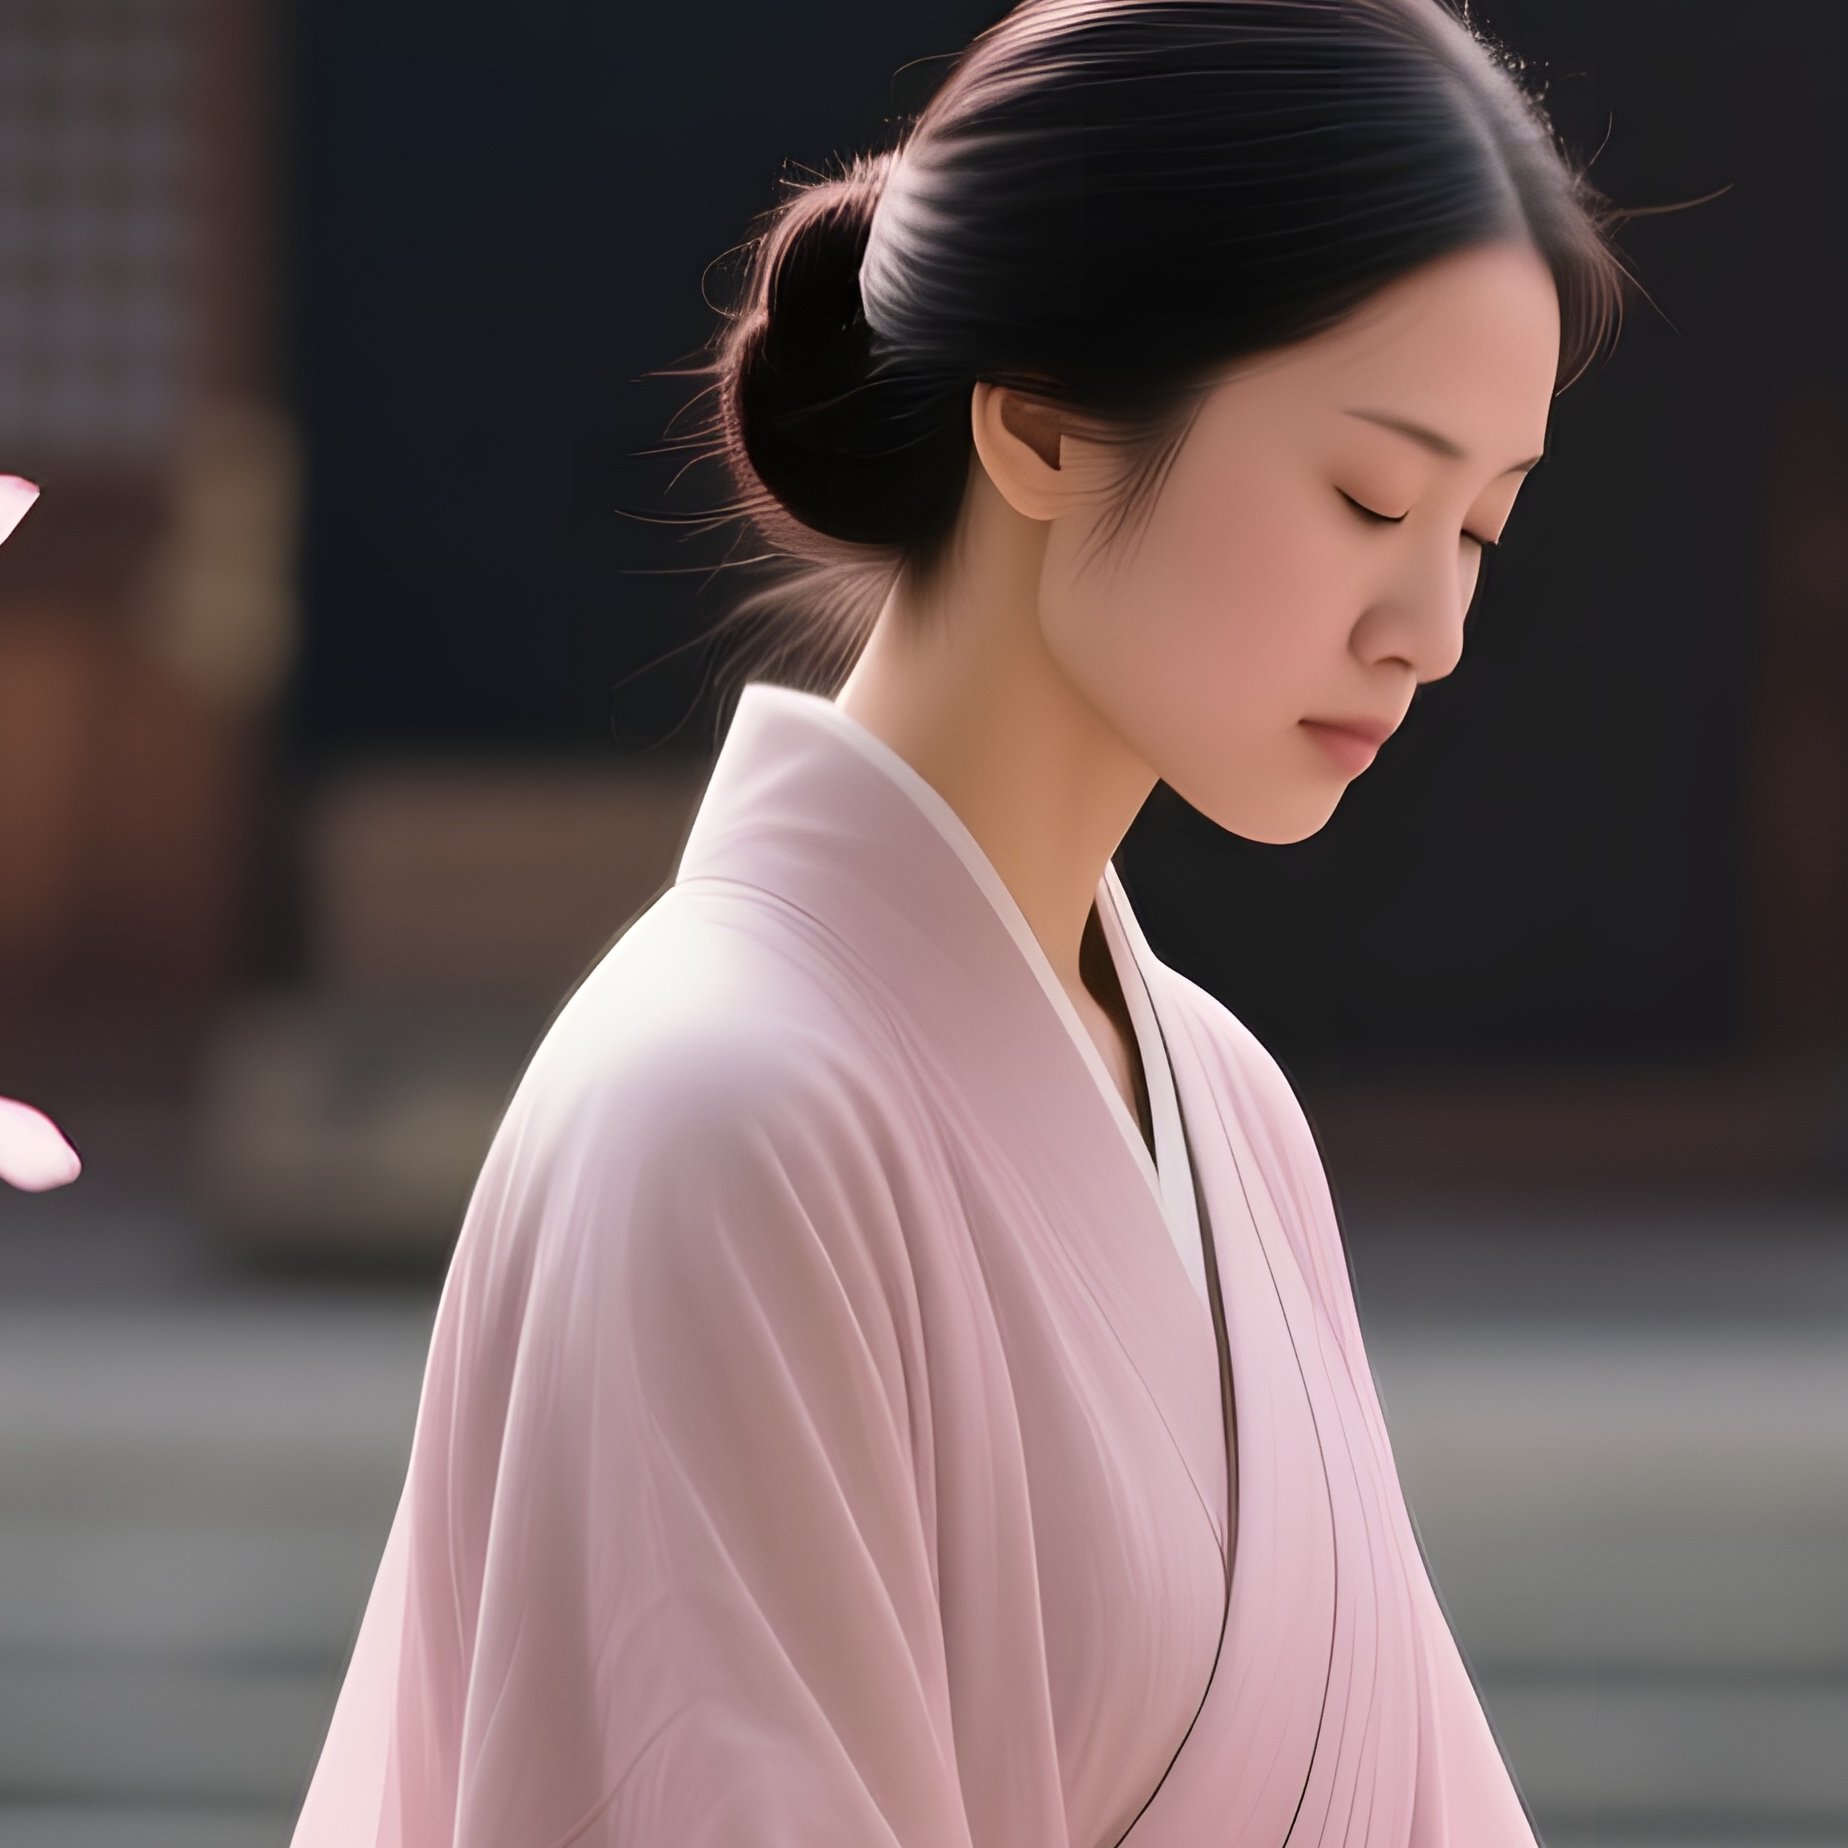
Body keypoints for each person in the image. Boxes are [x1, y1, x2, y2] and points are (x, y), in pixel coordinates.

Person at [290, 3, 1640, 1842]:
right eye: (1370, 495)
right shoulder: (718, 1116)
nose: (1434, 622)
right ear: (1043, 430)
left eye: (1480, 528)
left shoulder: (1228, 1110)